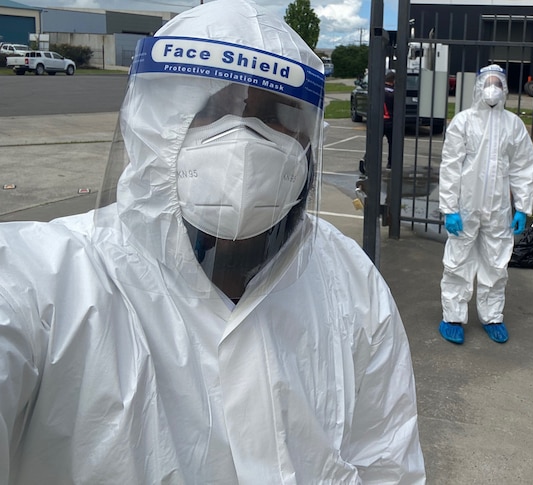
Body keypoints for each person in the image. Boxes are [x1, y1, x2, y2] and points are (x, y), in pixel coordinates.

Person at [0, 1, 426, 483]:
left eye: (277, 115)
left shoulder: (349, 279)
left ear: (309, 139)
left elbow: (387, 462)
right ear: (152, 125)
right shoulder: (46, 287)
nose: (243, 143)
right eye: (213, 109)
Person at [437, 64, 533, 344]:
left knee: (496, 263)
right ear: (479, 87)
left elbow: (523, 166)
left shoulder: (513, 124)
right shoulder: (463, 122)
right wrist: (450, 208)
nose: (492, 88)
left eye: (497, 83)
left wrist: (522, 207)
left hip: (498, 209)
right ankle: (452, 316)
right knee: (458, 262)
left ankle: (492, 316)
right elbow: (450, 167)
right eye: (488, 83)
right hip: (466, 206)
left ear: (504, 89)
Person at [359, 70, 396, 174]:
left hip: (378, 121)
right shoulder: (394, 93)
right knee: (393, 144)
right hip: (390, 121)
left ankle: (367, 161)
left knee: (374, 143)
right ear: (393, 81)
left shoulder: (378, 90)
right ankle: (391, 164)